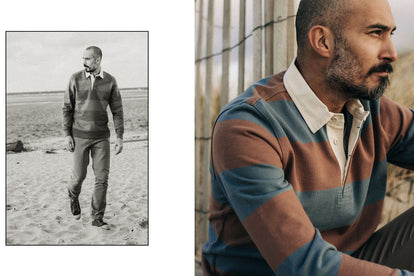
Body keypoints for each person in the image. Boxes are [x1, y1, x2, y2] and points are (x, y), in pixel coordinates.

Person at [202, 0, 414, 274]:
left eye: (390, 34)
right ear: (323, 41)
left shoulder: (373, 112)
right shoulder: (248, 127)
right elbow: (304, 267)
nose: (391, 52)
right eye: (375, 33)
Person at [62, 46, 124, 230]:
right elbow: (67, 108)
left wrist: (119, 136)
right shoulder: (75, 79)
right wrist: (67, 135)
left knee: (102, 178)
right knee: (79, 176)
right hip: (79, 136)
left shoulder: (110, 81)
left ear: (98, 60)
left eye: (88, 59)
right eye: (83, 58)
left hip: (101, 138)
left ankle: (97, 217)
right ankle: (73, 195)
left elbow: (117, 111)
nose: (84, 62)